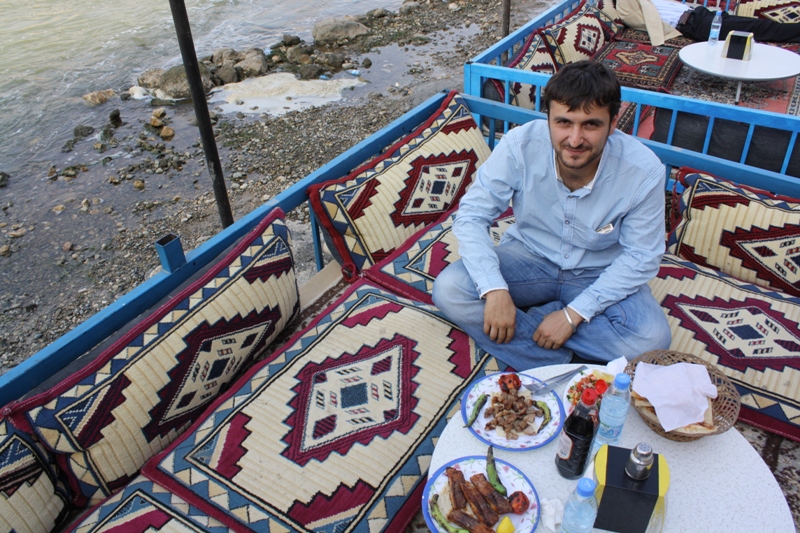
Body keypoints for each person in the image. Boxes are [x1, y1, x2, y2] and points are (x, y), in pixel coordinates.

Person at [431, 61, 672, 370]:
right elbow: (471, 215)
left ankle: (536, 327)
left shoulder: (644, 170)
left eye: (590, 125)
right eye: (563, 122)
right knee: (450, 289)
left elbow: (642, 256)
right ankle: (560, 362)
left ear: (613, 124)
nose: (574, 139)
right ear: (547, 119)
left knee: (651, 339)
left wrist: (573, 315)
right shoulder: (519, 146)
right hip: (529, 257)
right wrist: (494, 288)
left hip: (597, 271)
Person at [617, 0, 800, 45]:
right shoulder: (626, 5)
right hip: (696, 25)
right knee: (759, 29)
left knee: (754, 25)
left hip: (700, 14)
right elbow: (634, 18)